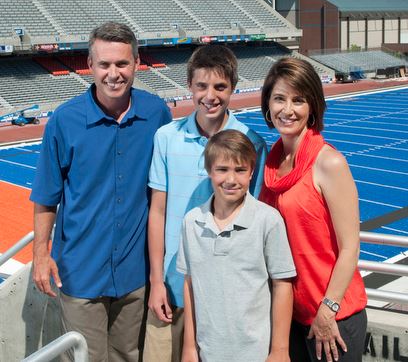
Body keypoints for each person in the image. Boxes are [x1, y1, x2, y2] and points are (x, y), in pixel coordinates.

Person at [30, 21, 172, 361]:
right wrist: (40, 254)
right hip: (80, 273)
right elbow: (47, 196)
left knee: (126, 354)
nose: (114, 73)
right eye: (105, 64)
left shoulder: (157, 114)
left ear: (137, 64)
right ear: (90, 66)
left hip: (134, 274)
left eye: (122, 64)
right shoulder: (64, 121)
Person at [144, 45, 267, 361]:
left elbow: (253, 219)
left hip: (225, 291)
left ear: (233, 88)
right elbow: (157, 212)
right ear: (189, 86)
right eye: (201, 86)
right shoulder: (166, 137)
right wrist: (156, 281)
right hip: (172, 287)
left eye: (220, 87)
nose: (210, 95)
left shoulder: (250, 142)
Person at [259, 57, 367, 362]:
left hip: (333, 318)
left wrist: (327, 310)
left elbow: (350, 247)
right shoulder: (271, 163)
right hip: (290, 315)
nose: (288, 109)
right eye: (279, 98)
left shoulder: (328, 163)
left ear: (313, 107)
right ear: (268, 103)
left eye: (298, 100)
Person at [177, 129, 296, 362]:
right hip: (207, 352)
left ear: (252, 172)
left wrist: (280, 350)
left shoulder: (267, 221)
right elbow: (190, 285)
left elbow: (282, 285)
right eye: (222, 169)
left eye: (240, 170)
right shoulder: (192, 222)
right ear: (209, 171)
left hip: (256, 353)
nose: (231, 180)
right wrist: (189, 347)